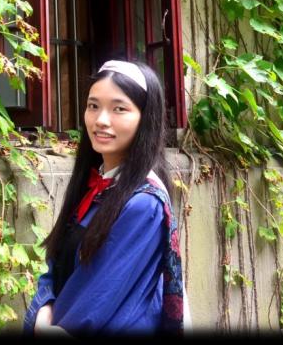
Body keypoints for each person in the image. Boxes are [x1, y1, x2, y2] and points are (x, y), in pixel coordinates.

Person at [23, 59, 190, 336]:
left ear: (145, 118)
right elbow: (56, 266)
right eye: (93, 106)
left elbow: (92, 304)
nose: (101, 120)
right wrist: (43, 308)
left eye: (119, 108)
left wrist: (46, 326)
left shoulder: (144, 204)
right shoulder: (94, 187)